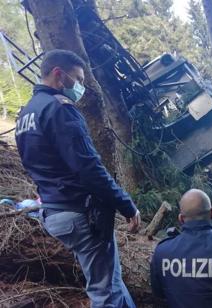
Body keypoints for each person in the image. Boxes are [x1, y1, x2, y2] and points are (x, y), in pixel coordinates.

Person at [15, 49, 141, 307]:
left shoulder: (26, 114)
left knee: (111, 283)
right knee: (105, 292)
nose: (81, 86)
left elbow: (32, 163)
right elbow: (89, 167)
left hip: (54, 210)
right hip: (79, 213)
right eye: (78, 79)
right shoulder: (60, 109)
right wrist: (126, 204)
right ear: (58, 75)